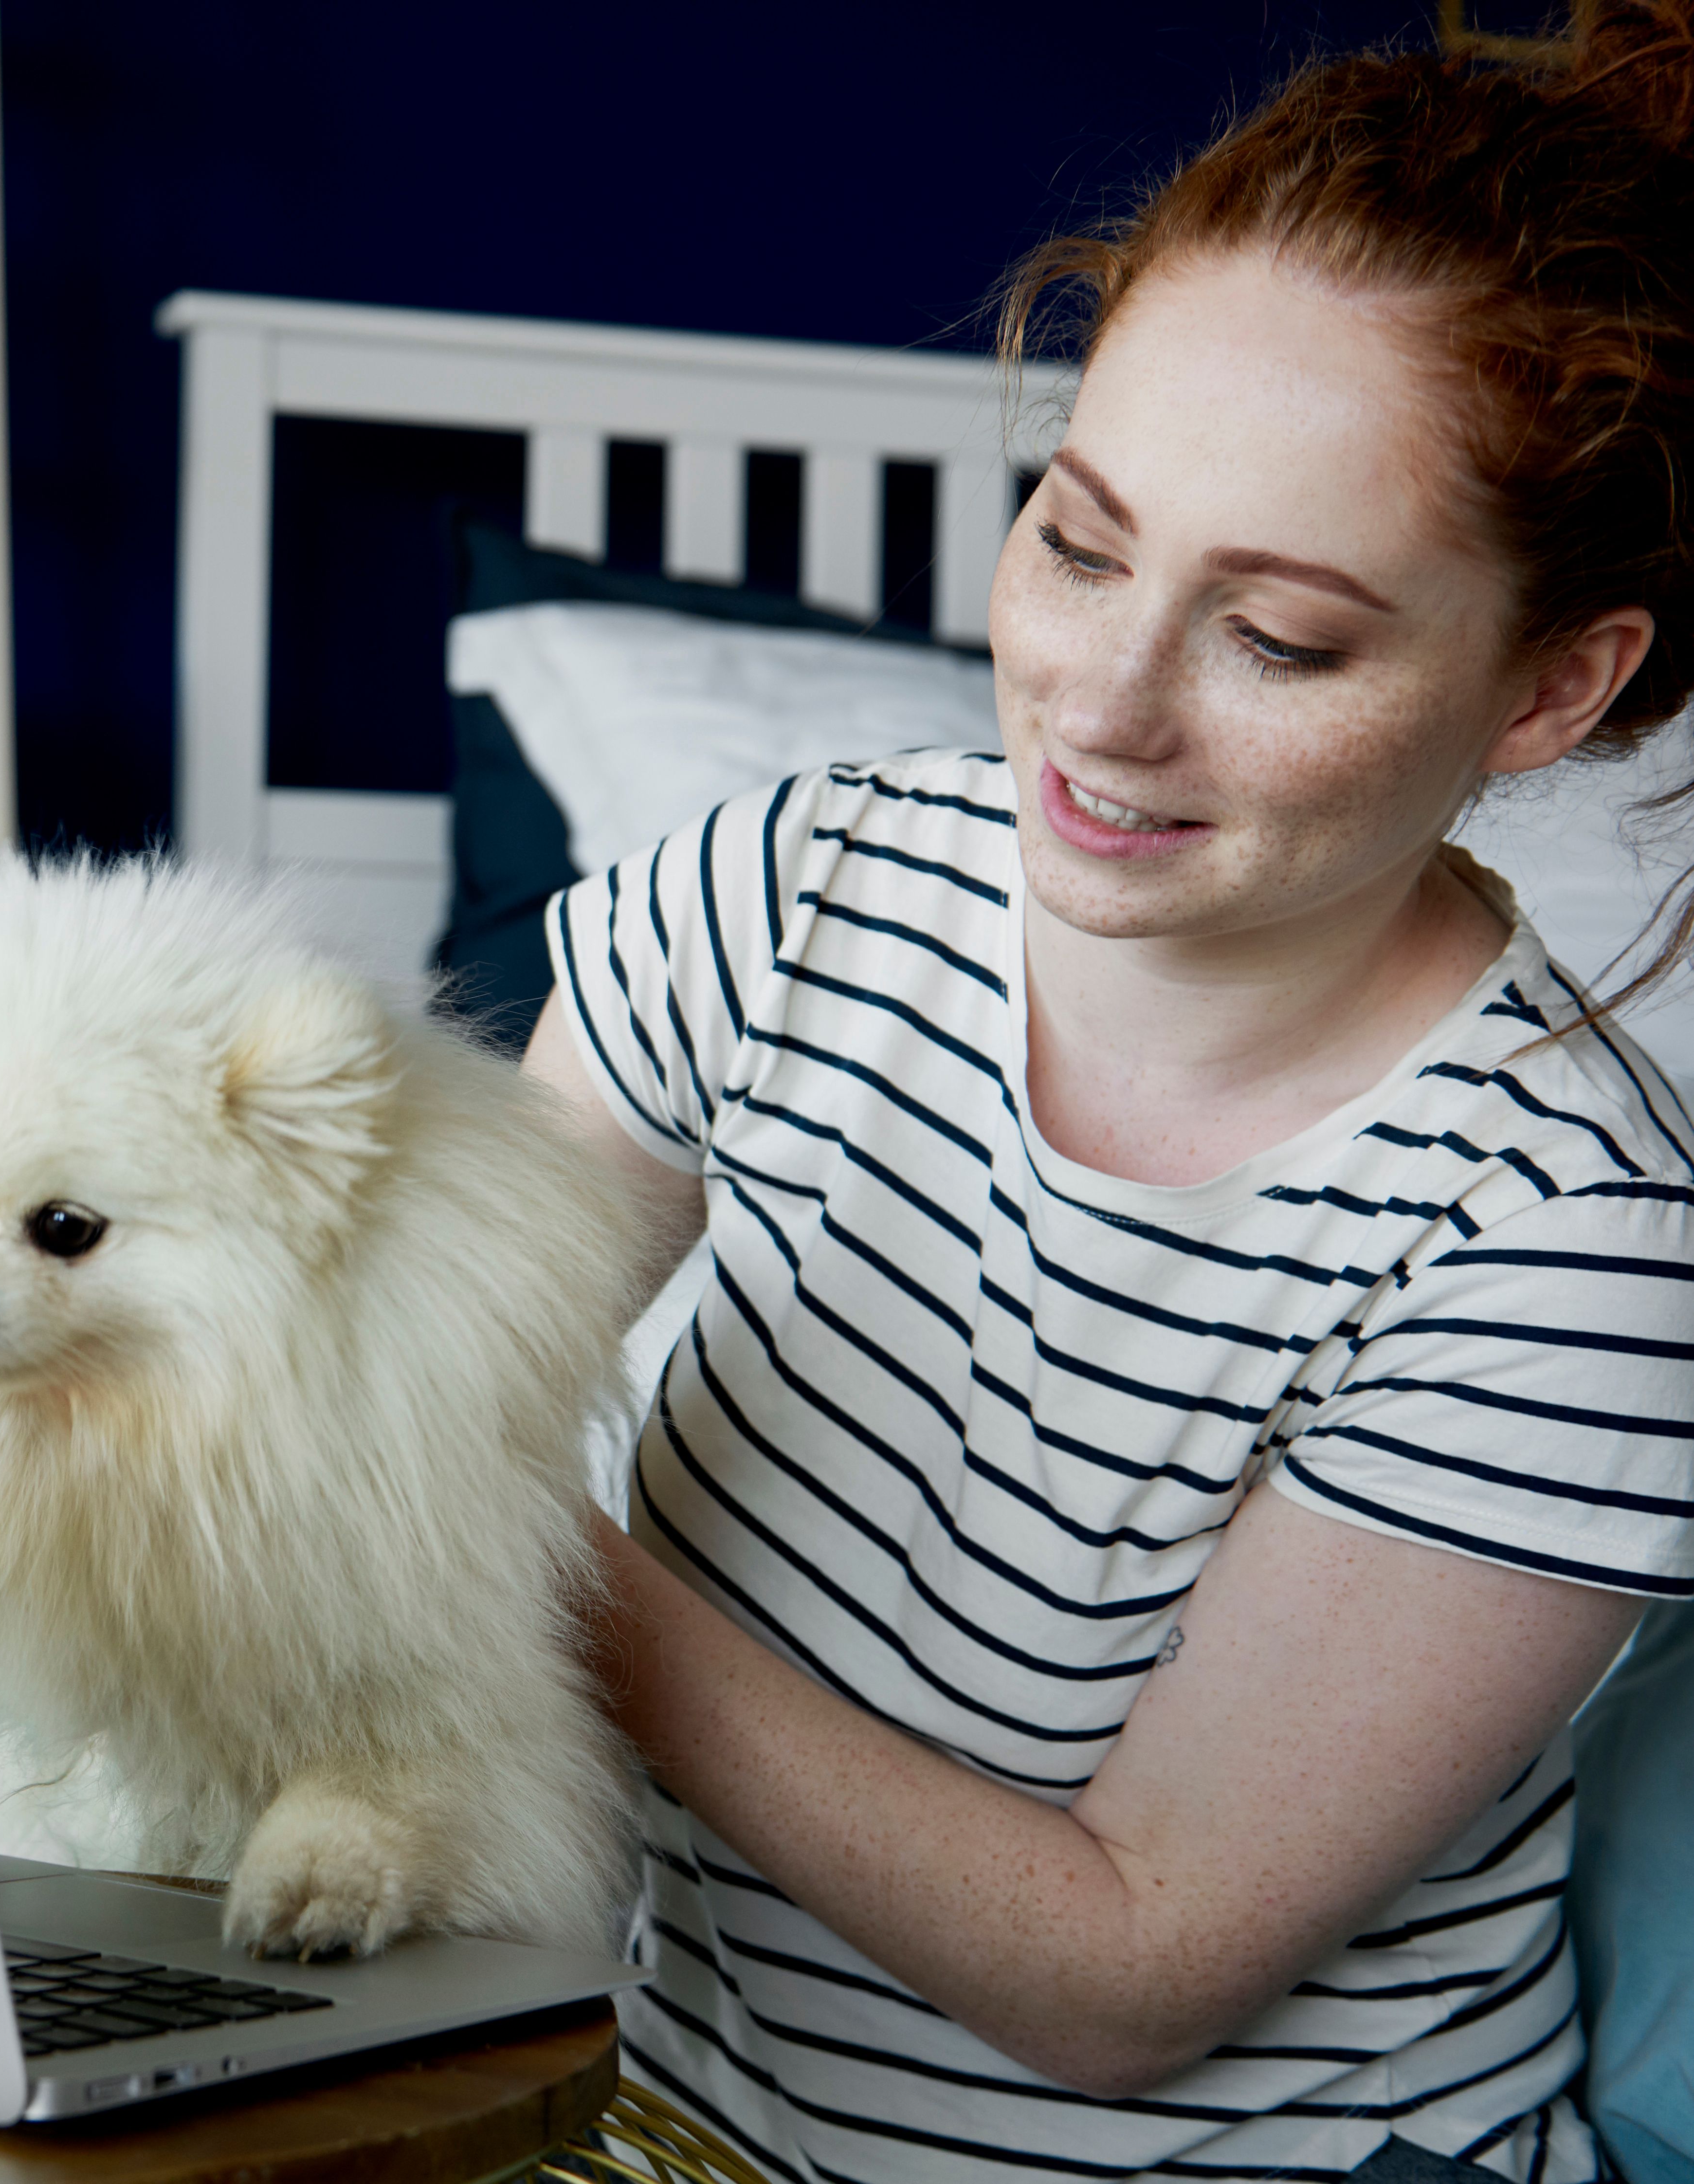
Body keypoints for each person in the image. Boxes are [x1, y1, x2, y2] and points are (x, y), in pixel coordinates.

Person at [522, 11, 1694, 2180]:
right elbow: (423, 1359)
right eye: (1075, 543)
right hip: (669, 2132)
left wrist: (475, 1539)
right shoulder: (792, 891)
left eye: (1280, 640)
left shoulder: (1569, 1248)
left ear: (1549, 686)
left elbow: (1121, 1976)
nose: (1100, 710)